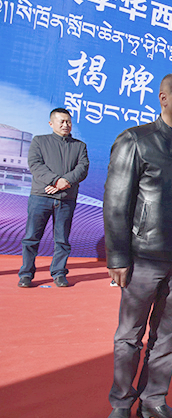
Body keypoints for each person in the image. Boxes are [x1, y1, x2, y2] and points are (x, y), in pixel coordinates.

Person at [102, 74, 172, 418]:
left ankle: (153, 399)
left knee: (167, 334)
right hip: (143, 257)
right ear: (164, 98)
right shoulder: (135, 140)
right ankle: (121, 403)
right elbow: (116, 202)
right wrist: (118, 257)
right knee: (129, 335)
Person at [18, 108, 89, 288]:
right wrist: (56, 180)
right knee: (31, 237)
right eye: (61, 121)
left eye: (68, 121)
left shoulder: (79, 146)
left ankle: (59, 273)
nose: (66, 125)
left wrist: (65, 182)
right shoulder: (39, 141)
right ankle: (26, 274)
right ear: (51, 123)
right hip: (41, 197)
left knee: (62, 239)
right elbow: (35, 165)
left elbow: (82, 168)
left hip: (66, 198)